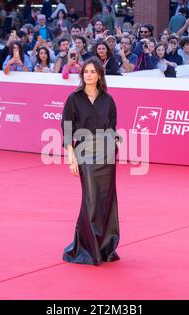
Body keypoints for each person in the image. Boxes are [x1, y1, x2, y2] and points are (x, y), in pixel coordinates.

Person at [61, 56, 122, 266]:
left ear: (99, 75)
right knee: (91, 198)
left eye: (92, 72)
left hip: (107, 152)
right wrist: (71, 155)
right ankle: (87, 247)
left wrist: (115, 138)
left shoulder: (108, 99)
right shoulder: (73, 98)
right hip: (85, 151)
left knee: (106, 199)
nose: (89, 75)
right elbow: (67, 128)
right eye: (86, 71)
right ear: (82, 75)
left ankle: (105, 246)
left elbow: (113, 124)